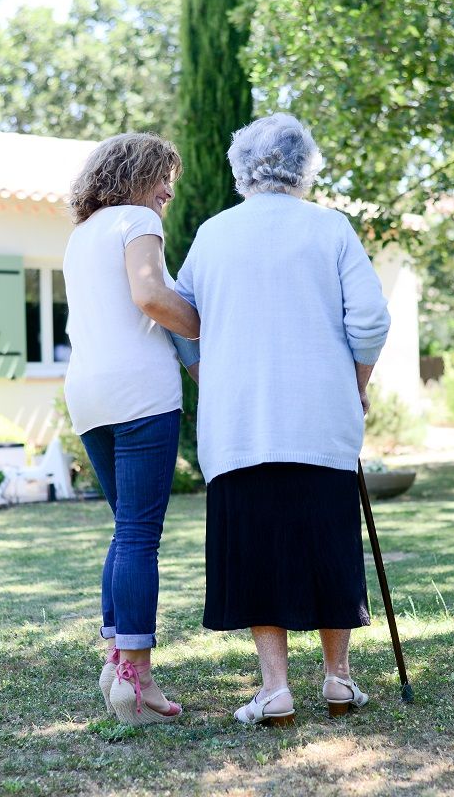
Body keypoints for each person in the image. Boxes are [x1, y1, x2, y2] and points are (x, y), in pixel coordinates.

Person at [175, 113, 391, 725]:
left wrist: (206, 376)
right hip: (321, 418)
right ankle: (338, 680)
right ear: (306, 166)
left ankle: (275, 689)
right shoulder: (331, 229)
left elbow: (182, 320)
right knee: (328, 543)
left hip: (240, 422)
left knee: (256, 549)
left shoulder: (214, 233)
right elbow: (371, 320)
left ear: (241, 167)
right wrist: (355, 386)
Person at [61, 132, 199, 726]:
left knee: (125, 531)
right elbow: (150, 296)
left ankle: (116, 659)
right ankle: (135, 682)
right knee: (141, 537)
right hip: (141, 392)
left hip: (88, 394)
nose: (170, 188)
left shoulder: (81, 235)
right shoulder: (139, 220)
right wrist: (210, 323)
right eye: (164, 174)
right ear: (138, 174)